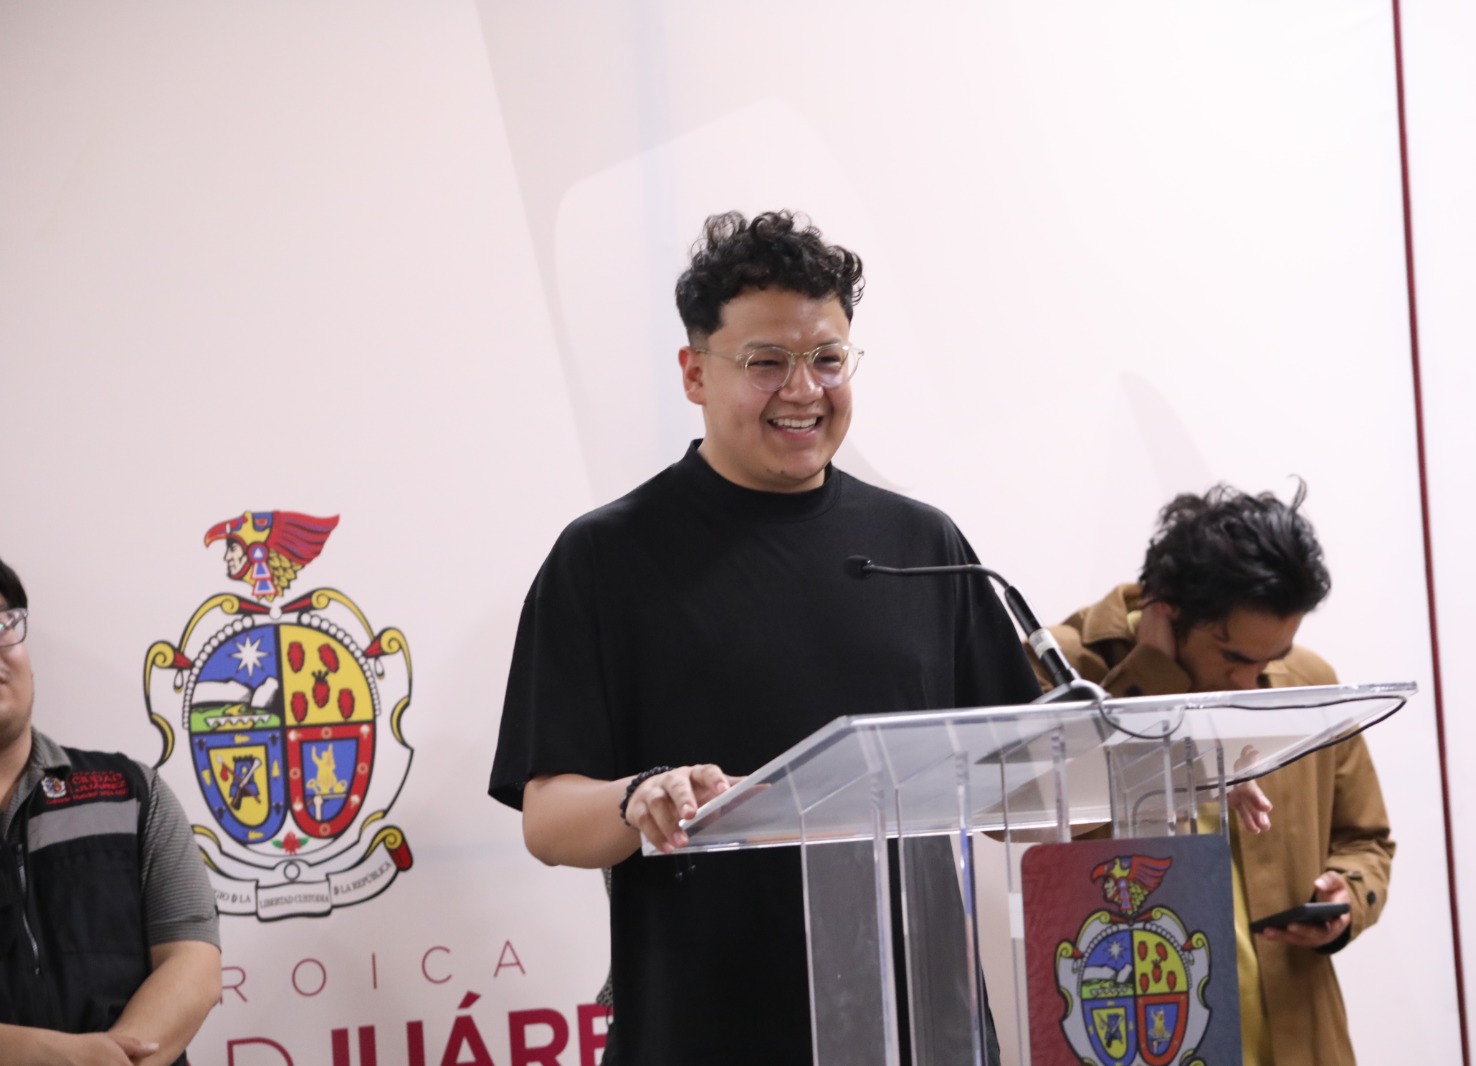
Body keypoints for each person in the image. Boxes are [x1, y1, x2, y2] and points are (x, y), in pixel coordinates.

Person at [489, 210, 1040, 1064]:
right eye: (767, 362)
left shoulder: (922, 544)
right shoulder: (606, 557)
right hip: (704, 1030)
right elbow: (548, 819)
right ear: (694, 373)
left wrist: (1182, 786)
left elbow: (1024, 784)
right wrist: (641, 797)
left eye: (828, 359)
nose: (804, 390)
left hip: (920, 1028)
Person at [1033, 485, 1393, 1066]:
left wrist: (1346, 896)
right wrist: (1151, 678)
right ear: (1168, 612)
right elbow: (1033, 823)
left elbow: (1365, 838)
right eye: (1233, 658)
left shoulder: (1308, 683)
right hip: (1138, 1036)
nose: (1251, 682)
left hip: (1297, 1037)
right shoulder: (1064, 670)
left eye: (1270, 659)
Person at [0, 555, 222, 1066]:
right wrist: (55, 1057)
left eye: (3, 625)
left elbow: (193, 960)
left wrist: (110, 1061)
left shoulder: (131, 793)